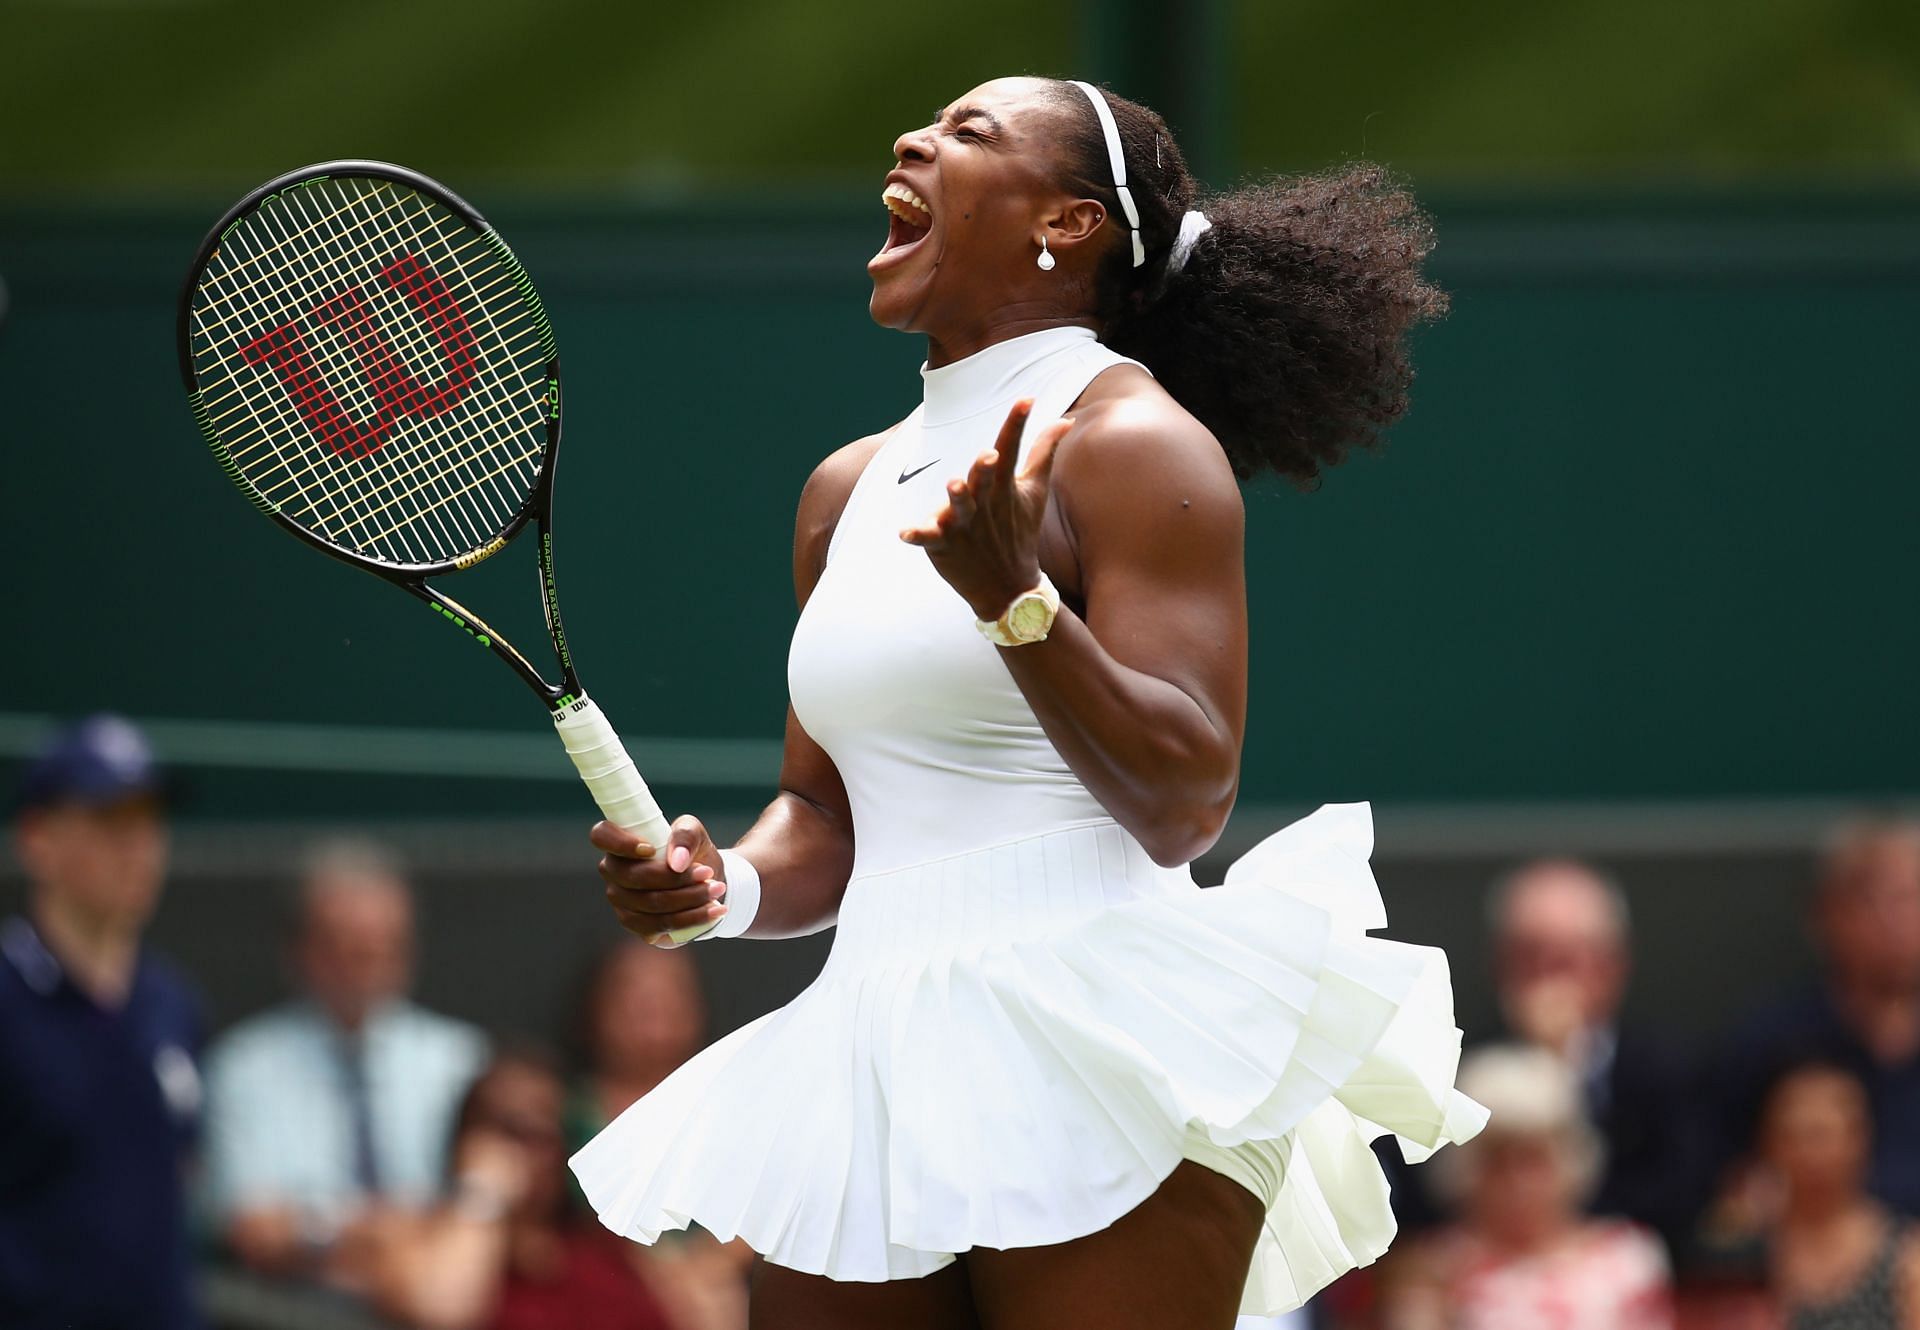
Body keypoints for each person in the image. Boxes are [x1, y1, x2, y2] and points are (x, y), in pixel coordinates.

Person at [575, 77, 1486, 1329]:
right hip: (866, 1049)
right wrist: (722, 886)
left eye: (970, 132)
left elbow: (1185, 797)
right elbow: (828, 814)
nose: (912, 139)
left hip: (1098, 1027)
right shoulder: (844, 490)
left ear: (1066, 225)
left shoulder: (1137, 446)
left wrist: (1018, 603)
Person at [201, 837, 487, 1288]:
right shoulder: (244, 1068)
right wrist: (396, 1230)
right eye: (346, 946)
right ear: (300, 949)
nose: (366, 966)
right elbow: (252, 1231)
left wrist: (313, 1224)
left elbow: (483, 1217)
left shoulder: (459, 1060)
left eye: (384, 947)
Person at [0, 715, 205, 1328]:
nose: (138, 846)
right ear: (38, 839)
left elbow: (177, 1184)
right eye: (110, 820)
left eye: (150, 822)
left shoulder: (174, 1003)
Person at [363, 1050, 693, 1330]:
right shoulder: (413, 1234)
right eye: (509, 1131)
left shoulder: (601, 1252)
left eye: (542, 1135)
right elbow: (443, 1310)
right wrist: (482, 1194)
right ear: (465, 1139)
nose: (524, 1154)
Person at [1488, 859, 1704, 1250]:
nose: (1548, 979)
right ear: (1501, 966)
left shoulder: (1666, 1073)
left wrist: (1562, 1071)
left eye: (1567, 960)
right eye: (1531, 956)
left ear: (1613, 966)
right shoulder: (1456, 1071)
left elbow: (1681, 1197)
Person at [1383, 1045, 1674, 1330]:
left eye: (1533, 1160)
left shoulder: (1628, 1260)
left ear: (1571, 1159)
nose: (1517, 1183)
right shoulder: (1435, 1267)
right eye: (1498, 1162)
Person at [1719, 820, 1920, 1217]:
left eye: (1909, 898)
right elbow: (1726, 1184)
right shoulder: (1769, 1044)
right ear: (1825, 914)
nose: (1893, 920)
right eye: (1873, 900)